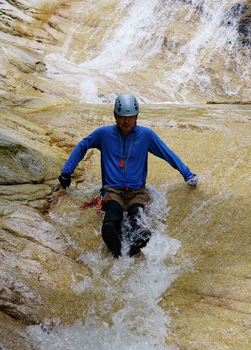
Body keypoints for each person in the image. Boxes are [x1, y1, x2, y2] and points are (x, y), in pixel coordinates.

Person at [58, 93, 198, 258]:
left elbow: (167, 154)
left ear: (137, 116)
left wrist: (187, 174)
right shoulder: (103, 134)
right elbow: (83, 145)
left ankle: (137, 241)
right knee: (112, 216)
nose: (126, 121)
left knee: (136, 215)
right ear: (115, 116)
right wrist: (67, 171)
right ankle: (114, 246)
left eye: (130, 117)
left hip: (138, 192)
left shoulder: (146, 135)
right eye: (123, 117)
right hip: (112, 191)